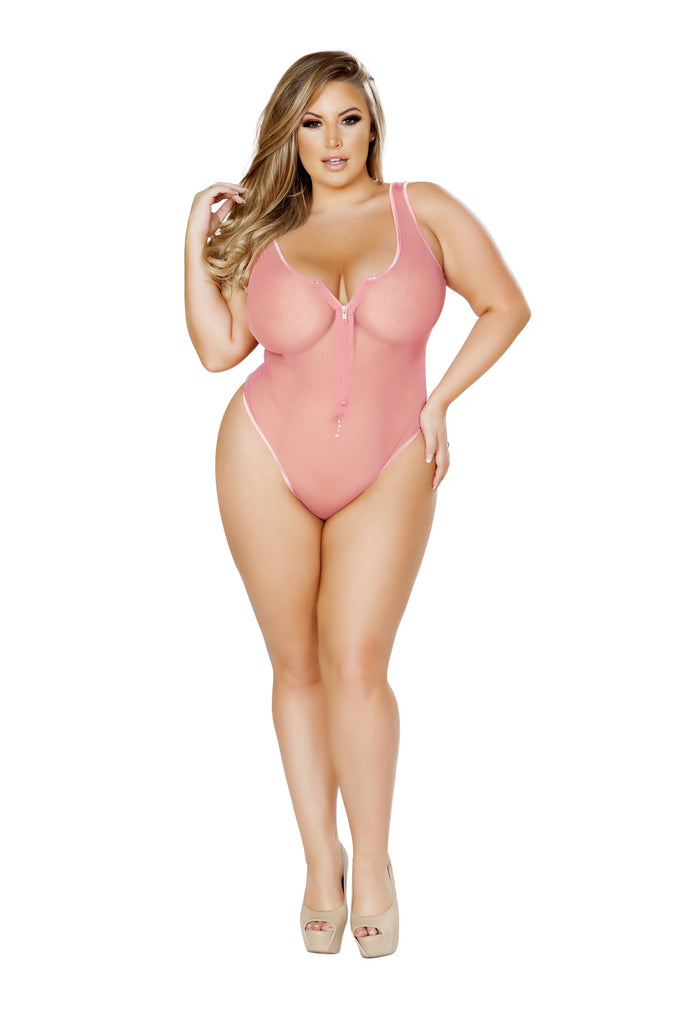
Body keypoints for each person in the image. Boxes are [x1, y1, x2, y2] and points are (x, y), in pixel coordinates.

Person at [184, 50, 531, 958]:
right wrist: (192, 235)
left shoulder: (424, 209)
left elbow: (504, 306)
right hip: (264, 457)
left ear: (372, 125)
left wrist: (439, 402)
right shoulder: (265, 228)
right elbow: (219, 351)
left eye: (346, 119)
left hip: (391, 460)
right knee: (294, 663)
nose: (330, 140)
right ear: (289, 135)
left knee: (356, 660)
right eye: (310, 123)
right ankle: (318, 863)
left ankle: (372, 863)